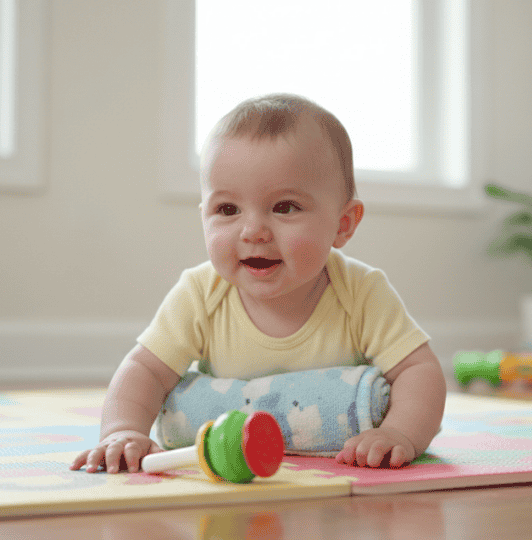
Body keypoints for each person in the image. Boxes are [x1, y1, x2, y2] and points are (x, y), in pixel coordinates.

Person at [70, 94, 446, 474]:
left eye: (285, 207)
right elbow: (146, 370)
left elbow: (419, 371)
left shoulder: (360, 291)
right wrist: (122, 430)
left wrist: (400, 432)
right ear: (204, 217)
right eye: (227, 209)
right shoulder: (202, 293)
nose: (253, 231)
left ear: (343, 224)